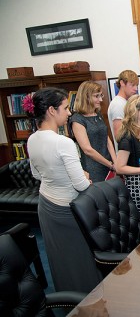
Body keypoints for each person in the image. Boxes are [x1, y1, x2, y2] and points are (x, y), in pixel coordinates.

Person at [26, 87, 102, 292]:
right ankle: (88, 296)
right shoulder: (63, 142)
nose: (69, 113)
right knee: (80, 254)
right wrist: (86, 176)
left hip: (46, 204)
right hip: (67, 209)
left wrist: (56, 177)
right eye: (66, 108)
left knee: (59, 256)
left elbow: (36, 174)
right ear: (52, 110)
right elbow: (80, 185)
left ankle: (68, 295)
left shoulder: (32, 139)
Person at [71, 81, 116, 182]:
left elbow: (107, 139)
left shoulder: (98, 114)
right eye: (96, 96)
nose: (100, 99)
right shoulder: (77, 119)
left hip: (109, 164)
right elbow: (87, 150)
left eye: (101, 95)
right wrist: (110, 164)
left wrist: (115, 161)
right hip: (94, 169)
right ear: (85, 97)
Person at [107, 70, 139, 150]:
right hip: (126, 153)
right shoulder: (118, 104)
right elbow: (119, 135)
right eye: (132, 85)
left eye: (136, 85)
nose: (136, 88)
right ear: (122, 83)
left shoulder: (125, 102)